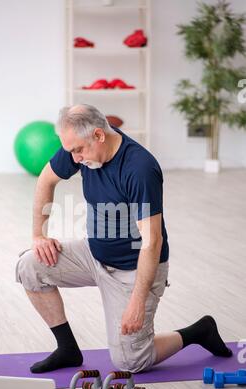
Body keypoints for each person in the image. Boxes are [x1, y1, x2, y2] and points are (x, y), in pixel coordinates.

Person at [15, 104, 232, 374]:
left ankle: (198, 332)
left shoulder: (139, 168)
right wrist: (39, 236)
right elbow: (45, 180)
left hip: (134, 269)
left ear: (99, 135)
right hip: (94, 253)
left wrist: (137, 302)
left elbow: (152, 242)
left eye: (78, 150)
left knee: (131, 362)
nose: (75, 158)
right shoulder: (81, 147)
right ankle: (67, 349)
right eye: (71, 151)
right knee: (29, 266)